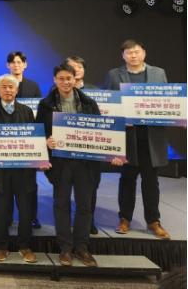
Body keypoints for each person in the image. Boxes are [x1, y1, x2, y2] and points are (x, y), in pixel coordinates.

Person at [37, 63, 123, 267]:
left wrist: (113, 153)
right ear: (55, 80)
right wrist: (46, 141)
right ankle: (65, 248)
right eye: (61, 79)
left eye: (69, 78)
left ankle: (82, 248)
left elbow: (101, 132)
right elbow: (39, 131)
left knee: (85, 206)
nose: (65, 82)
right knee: (61, 205)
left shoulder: (89, 103)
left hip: (85, 164)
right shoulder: (45, 105)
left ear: (75, 79)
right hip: (60, 164)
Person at [105, 39, 171, 239]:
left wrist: (178, 116)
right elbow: (108, 104)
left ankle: (153, 221)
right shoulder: (114, 75)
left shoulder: (158, 73)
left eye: (136, 51)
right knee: (127, 180)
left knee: (151, 182)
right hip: (127, 136)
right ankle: (124, 219)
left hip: (151, 137)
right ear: (123, 55)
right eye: (128, 52)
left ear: (144, 53)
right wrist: (119, 121)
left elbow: (169, 101)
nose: (133, 55)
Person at [0, 74, 44, 264]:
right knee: (1, 211)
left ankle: (25, 246)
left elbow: (34, 140)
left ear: (17, 90)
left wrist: (39, 157)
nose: (8, 90)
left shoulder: (27, 111)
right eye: (4, 87)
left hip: (23, 171)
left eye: (11, 87)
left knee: (25, 211)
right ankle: (1, 247)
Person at [0, 51, 42, 229]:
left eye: (19, 62)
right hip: (3, 152)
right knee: (4, 193)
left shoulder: (33, 87)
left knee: (27, 191)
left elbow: (37, 119)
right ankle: (7, 220)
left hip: (25, 151)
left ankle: (31, 218)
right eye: (12, 62)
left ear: (25, 64)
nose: (16, 65)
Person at [66, 55, 100, 234]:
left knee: (90, 188)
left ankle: (89, 221)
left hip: (89, 150)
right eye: (73, 67)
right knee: (64, 190)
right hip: (66, 149)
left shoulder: (96, 92)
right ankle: (66, 222)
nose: (77, 70)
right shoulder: (56, 92)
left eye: (80, 66)